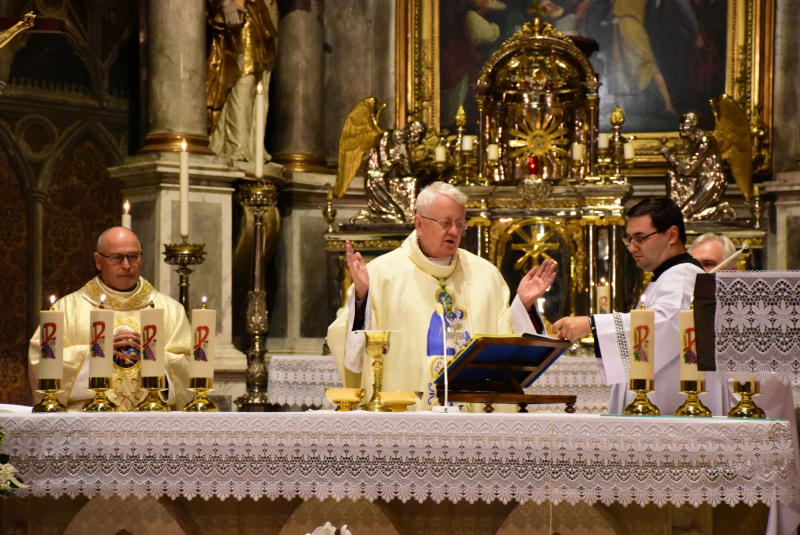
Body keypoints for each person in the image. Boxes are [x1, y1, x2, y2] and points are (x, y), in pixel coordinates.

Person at [327, 181, 556, 410]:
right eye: (446, 223)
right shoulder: (381, 274)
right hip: (406, 416)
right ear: (419, 224)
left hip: (472, 417)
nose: (454, 231)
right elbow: (351, 352)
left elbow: (505, 342)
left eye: (460, 223)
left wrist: (523, 305)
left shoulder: (486, 275)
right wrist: (362, 298)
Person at [552, 197, 725, 415]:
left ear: (672, 235)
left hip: (670, 408)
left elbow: (667, 324)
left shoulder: (683, 276)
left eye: (640, 238)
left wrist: (592, 324)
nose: (632, 248)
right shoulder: (668, 276)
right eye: (629, 239)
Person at [28, 227, 192, 411]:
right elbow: (40, 364)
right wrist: (96, 353)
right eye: (117, 257)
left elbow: (190, 369)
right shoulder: (66, 310)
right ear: (98, 261)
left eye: (133, 256)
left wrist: (154, 357)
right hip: (88, 422)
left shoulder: (171, 310)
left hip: (153, 420)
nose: (126, 265)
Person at [207, 0, 278, 162]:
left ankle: (254, 147)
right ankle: (237, 145)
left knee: (261, 85)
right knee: (244, 78)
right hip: (241, 11)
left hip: (264, 13)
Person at [660, 111, 735, 221]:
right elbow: (686, 168)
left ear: (694, 124)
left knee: (683, 216)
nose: (680, 128)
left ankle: (718, 210)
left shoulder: (704, 141)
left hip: (713, 180)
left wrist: (669, 156)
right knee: (683, 216)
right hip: (700, 180)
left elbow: (688, 170)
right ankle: (717, 209)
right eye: (681, 124)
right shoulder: (693, 143)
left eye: (684, 124)